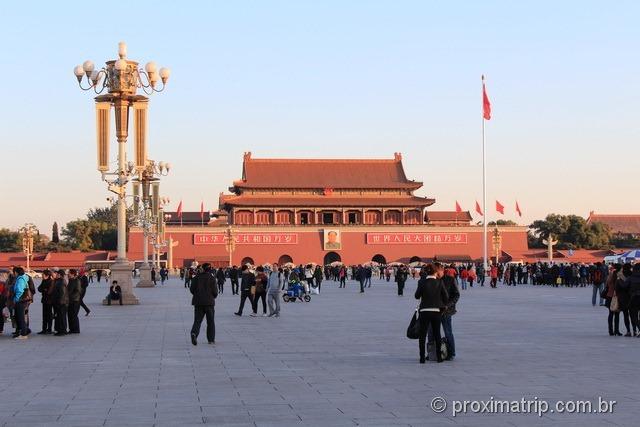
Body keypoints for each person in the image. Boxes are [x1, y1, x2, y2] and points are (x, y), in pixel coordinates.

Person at [414, 263, 448, 363]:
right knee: (437, 334)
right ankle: (439, 357)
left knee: (423, 335)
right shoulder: (440, 282)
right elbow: (445, 297)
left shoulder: (422, 282)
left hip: (424, 311)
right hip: (436, 311)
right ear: (435, 272)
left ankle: (422, 357)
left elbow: (416, 296)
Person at [189, 263, 218, 345]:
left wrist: (197, 295)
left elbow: (192, 289)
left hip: (198, 302)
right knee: (210, 321)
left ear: (202, 269)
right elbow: (215, 292)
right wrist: (213, 296)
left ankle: (194, 333)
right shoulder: (212, 278)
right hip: (209, 302)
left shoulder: (196, 277)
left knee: (197, 320)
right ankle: (211, 339)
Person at [440, 274, 460, 360]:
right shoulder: (431, 279)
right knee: (431, 332)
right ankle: (432, 352)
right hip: (433, 310)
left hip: (446, 311)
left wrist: (448, 305)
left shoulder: (450, 279)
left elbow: (456, 294)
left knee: (448, 331)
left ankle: (451, 353)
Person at [12, 267, 31, 340]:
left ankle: (23, 334)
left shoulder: (20, 279)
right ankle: (25, 330)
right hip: (23, 301)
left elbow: (19, 290)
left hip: (20, 301)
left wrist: (16, 299)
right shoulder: (24, 278)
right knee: (21, 317)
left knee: (21, 318)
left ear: (16, 272)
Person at [604, 264, 621, 336]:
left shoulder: (610, 274)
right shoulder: (620, 275)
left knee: (610, 314)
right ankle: (616, 330)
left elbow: (606, 284)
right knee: (617, 314)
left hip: (609, 296)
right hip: (617, 296)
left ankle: (610, 330)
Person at [616, 263, 632, 337]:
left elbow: (617, 288)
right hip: (632, 297)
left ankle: (628, 331)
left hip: (623, 298)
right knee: (633, 315)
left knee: (626, 315)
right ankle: (635, 330)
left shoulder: (620, 276)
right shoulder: (633, 275)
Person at [37, 270, 54, 334]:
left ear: (47, 275)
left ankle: (49, 329)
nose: (42, 275)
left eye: (43, 274)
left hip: (49, 301)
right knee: (44, 316)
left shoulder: (51, 281)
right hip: (44, 300)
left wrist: (44, 290)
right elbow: (39, 288)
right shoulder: (43, 281)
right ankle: (44, 329)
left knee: (49, 316)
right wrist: (44, 289)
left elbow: (49, 292)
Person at [52, 269, 68, 336]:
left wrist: (60, 302)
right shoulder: (58, 281)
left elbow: (62, 293)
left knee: (61, 317)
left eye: (57, 274)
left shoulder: (61, 282)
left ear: (60, 275)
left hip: (61, 303)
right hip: (59, 302)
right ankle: (60, 330)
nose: (56, 275)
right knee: (59, 317)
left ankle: (62, 331)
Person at [625, 263, 640, 337]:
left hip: (633, 298)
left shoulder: (630, 278)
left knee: (634, 316)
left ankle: (637, 329)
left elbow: (624, 286)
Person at [67, 269, 82, 334]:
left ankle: (76, 329)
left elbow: (78, 291)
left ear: (73, 274)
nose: (68, 274)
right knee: (70, 315)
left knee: (74, 315)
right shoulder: (71, 280)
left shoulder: (76, 281)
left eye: (69, 273)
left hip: (75, 300)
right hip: (70, 300)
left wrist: (70, 296)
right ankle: (71, 329)